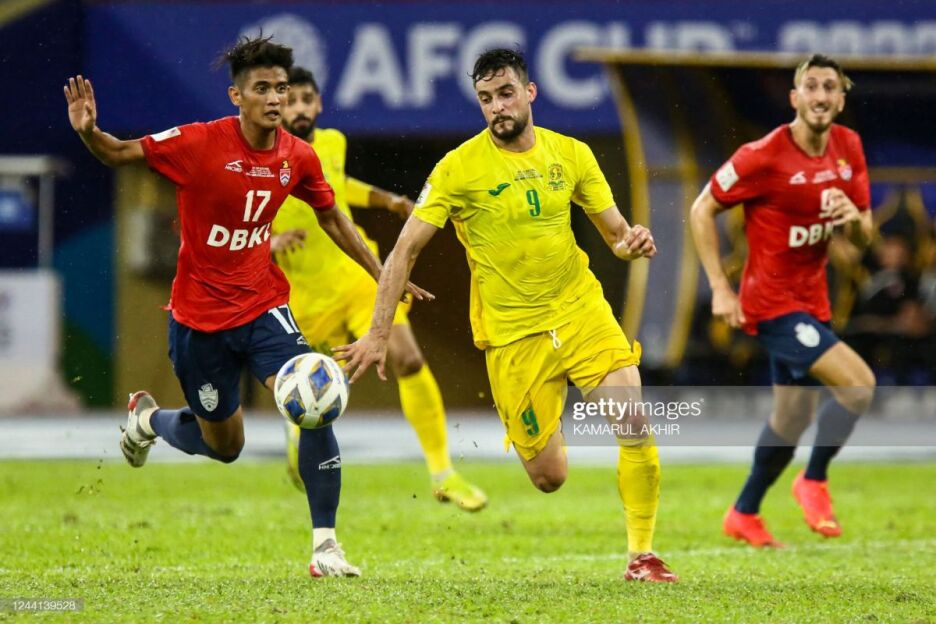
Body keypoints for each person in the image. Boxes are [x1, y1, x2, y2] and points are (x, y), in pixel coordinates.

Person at [64, 36, 428, 577]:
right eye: (263, 88)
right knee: (225, 445)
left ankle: (326, 546)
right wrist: (89, 132)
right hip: (199, 322)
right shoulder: (199, 142)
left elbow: (332, 217)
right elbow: (120, 153)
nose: (275, 98)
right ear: (237, 96)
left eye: (281, 88)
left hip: (263, 307)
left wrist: (383, 275)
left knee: (313, 396)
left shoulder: (297, 155)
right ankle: (149, 419)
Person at [336, 48, 678, 582]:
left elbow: (615, 234)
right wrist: (378, 334)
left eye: (505, 93)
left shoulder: (572, 155)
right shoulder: (458, 168)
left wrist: (631, 243)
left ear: (530, 92)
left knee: (632, 421)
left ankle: (643, 556)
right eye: (486, 98)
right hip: (513, 336)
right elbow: (404, 251)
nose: (497, 106)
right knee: (549, 476)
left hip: (580, 310)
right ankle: (545, 415)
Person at [271, 67, 487, 510]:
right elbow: (238, 211)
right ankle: (295, 432)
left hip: (355, 277)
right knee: (310, 392)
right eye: (290, 101)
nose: (299, 109)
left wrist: (386, 199)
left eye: (306, 99)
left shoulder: (333, 142)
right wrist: (268, 243)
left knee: (408, 358)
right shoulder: (262, 157)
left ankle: (443, 473)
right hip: (302, 295)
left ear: (319, 104)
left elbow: (337, 185)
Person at [690, 54, 876, 547]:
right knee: (859, 387)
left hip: (813, 303)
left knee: (791, 420)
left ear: (841, 99)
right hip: (771, 304)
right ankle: (813, 480)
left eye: (830, 87)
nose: (820, 95)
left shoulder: (848, 147)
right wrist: (720, 287)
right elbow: (701, 209)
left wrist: (852, 220)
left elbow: (865, 235)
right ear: (795, 98)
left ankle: (743, 513)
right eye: (811, 86)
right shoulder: (763, 155)